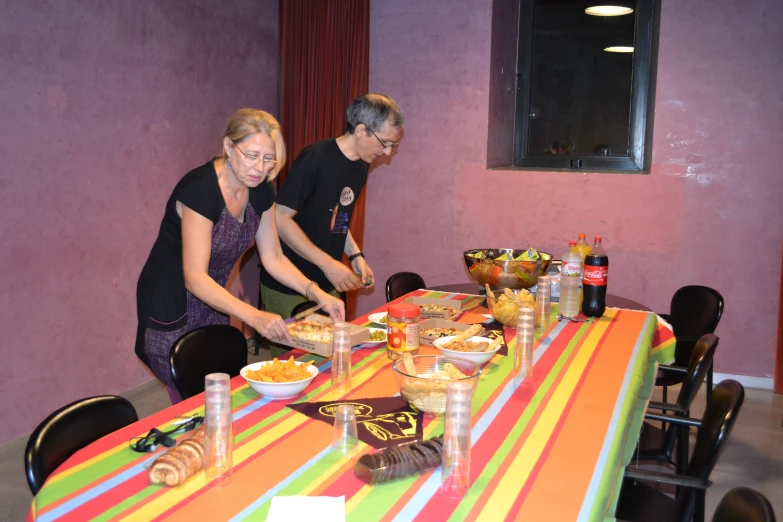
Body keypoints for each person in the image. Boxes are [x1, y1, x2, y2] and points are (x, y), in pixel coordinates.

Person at [135, 109, 345, 403]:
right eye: (252, 155)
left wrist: (318, 293)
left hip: (213, 298)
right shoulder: (200, 191)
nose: (260, 168)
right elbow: (195, 277)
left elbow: (273, 258)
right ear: (228, 147)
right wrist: (253, 315)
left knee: (219, 389)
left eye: (268, 158)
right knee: (191, 396)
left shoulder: (260, 191)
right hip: (171, 302)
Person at [260, 94, 404, 338]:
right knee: (299, 364)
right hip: (290, 282)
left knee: (335, 359)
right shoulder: (315, 159)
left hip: (328, 282)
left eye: (393, 145)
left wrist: (354, 253)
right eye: (385, 143)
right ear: (361, 130)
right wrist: (328, 264)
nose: (388, 152)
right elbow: (280, 218)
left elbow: (338, 214)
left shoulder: (360, 165)